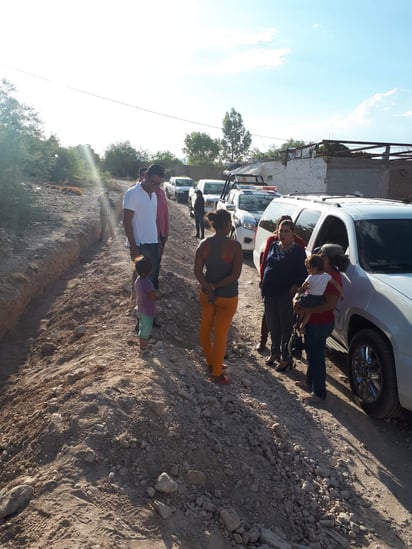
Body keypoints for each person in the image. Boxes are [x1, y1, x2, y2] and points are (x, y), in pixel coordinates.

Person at [294, 243, 349, 404]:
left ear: (326, 258)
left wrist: (304, 309)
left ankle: (318, 393)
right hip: (318, 322)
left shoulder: (331, 276)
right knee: (312, 354)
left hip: (319, 323)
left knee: (316, 357)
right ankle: (310, 384)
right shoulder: (324, 275)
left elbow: (329, 305)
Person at [194, 209, 243, 384]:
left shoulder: (204, 244)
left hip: (207, 296)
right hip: (228, 297)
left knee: (205, 330)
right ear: (228, 225)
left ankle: (211, 362)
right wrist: (216, 287)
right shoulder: (235, 247)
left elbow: (198, 272)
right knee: (221, 333)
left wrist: (209, 287)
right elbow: (234, 275)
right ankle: (216, 373)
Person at [260, 219, 307, 371]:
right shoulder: (274, 246)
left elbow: (303, 274)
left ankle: (286, 358)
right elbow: (266, 264)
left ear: (293, 234)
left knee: (285, 327)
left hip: (285, 295)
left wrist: (295, 286)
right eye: (281, 231)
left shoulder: (298, 252)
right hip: (269, 293)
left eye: (286, 231)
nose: (283, 234)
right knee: (273, 325)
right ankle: (275, 353)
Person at [123, 164, 165, 291]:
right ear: (145, 176)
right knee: (141, 279)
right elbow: (126, 221)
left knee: (151, 279)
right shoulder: (132, 194)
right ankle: (138, 306)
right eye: (153, 182)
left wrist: (158, 241)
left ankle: (147, 305)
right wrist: (133, 247)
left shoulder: (154, 195)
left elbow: (152, 220)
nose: (156, 187)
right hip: (140, 244)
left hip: (153, 243)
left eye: (159, 184)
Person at [296, 254, 343, 333]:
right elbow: (335, 284)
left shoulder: (311, 277)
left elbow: (304, 286)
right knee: (309, 313)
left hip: (309, 297)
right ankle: (302, 326)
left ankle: (298, 324)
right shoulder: (326, 276)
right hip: (318, 299)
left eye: (308, 268)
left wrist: (300, 291)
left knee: (301, 309)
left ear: (314, 268)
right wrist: (341, 293)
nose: (307, 270)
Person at [134, 255, 159, 355]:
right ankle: (142, 349)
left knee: (142, 327)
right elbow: (152, 296)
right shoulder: (148, 283)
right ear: (149, 270)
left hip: (139, 308)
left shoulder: (138, 280)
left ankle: (143, 345)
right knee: (145, 331)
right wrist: (158, 296)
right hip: (147, 311)